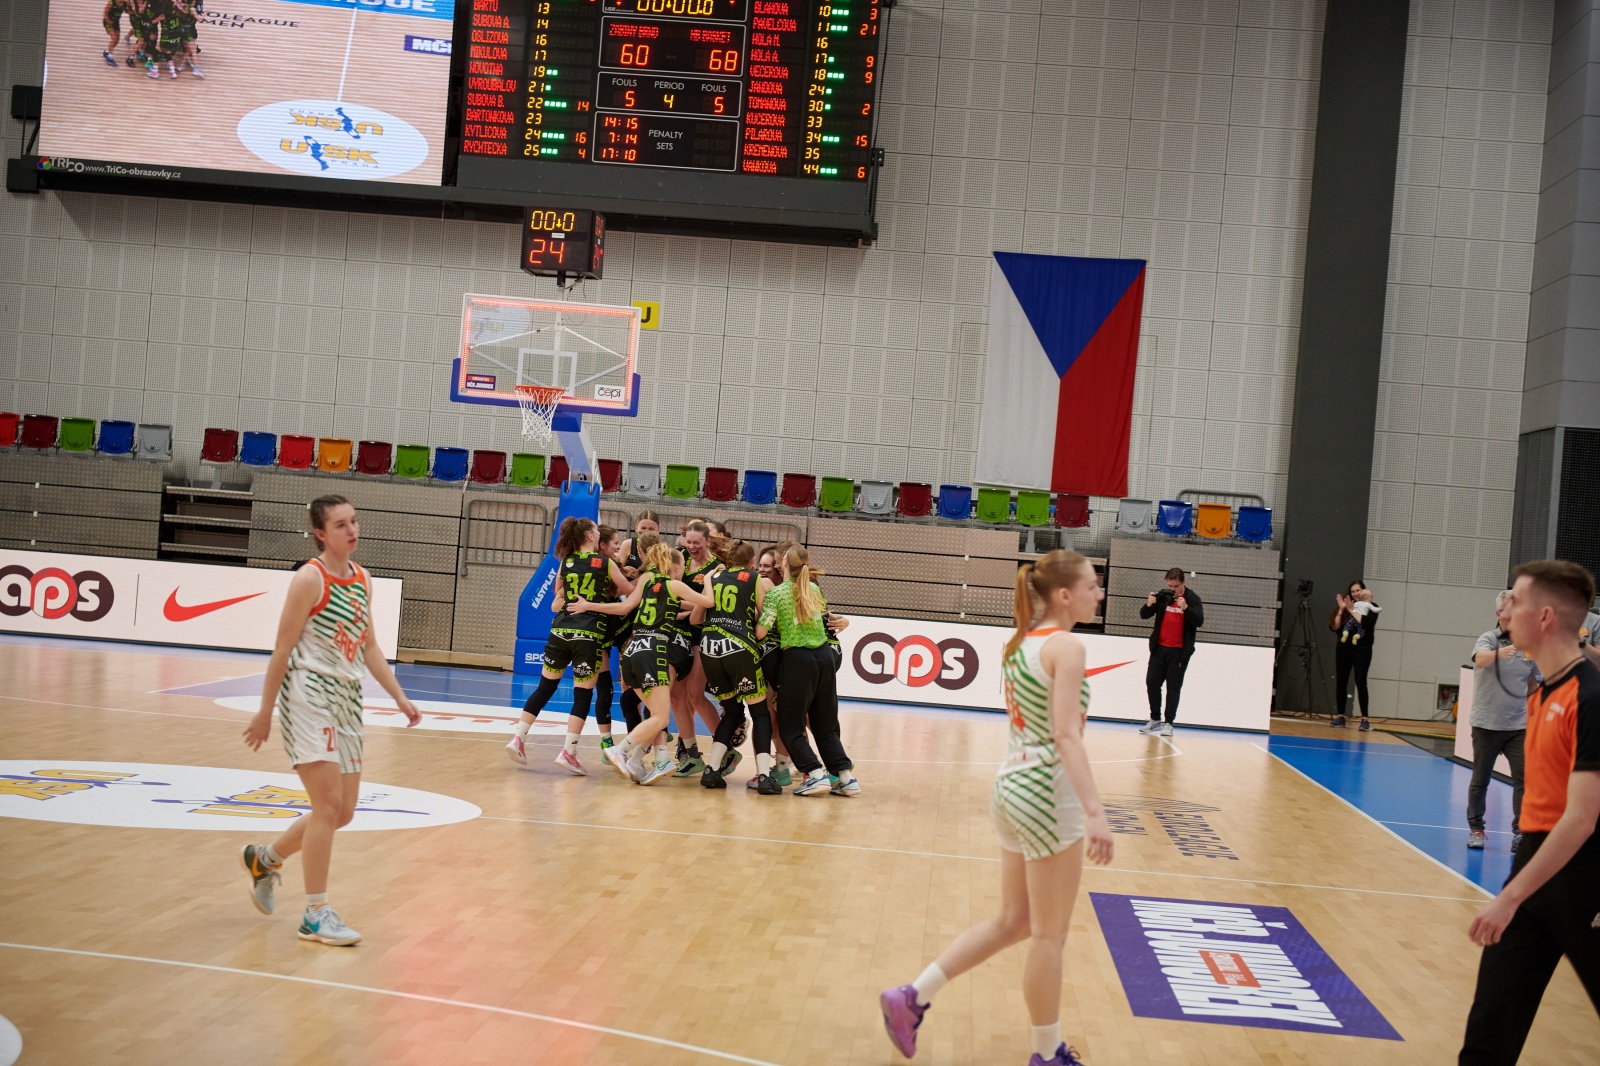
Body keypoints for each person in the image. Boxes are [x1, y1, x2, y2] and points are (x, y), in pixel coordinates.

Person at [879, 550, 1112, 1066]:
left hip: (1011, 788)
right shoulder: (1066, 646)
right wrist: (1096, 811)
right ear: (1064, 595)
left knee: (1014, 921)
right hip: (1047, 794)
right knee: (1049, 935)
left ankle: (912, 997)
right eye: (1092, 585)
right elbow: (1066, 736)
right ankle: (1047, 1054)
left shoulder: (1020, 643)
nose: (1099, 594)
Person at [240, 495, 422, 946]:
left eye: (354, 521)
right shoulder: (309, 579)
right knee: (326, 806)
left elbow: (369, 646)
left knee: (342, 812)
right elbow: (282, 649)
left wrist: (399, 696)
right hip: (308, 696)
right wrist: (265, 710)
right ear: (321, 534)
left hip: (347, 698)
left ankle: (266, 859)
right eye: (341, 524)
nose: (352, 530)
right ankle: (315, 913)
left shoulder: (362, 578)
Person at [1459, 559, 1600, 1065]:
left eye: (1515, 602)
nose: (1505, 611)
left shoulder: (1590, 696)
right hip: (1540, 863)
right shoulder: (1542, 692)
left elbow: (1582, 819)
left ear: (1544, 616)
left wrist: (1511, 895)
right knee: (1490, 1030)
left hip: (1585, 867)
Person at [576, 538, 715, 784]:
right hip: (654, 650)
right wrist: (710, 581)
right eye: (681, 567)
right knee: (661, 718)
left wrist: (589, 605)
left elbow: (624, 608)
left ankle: (646, 759)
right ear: (675, 567)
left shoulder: (647, 580)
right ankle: (621, 751)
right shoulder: (675, 585)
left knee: (653, 716)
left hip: (631, 650)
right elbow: (708, 603)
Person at [504, 517, 633, 775]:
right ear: (589, 536)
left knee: (545, 687)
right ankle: (568, 753)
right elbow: (628, 590)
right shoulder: (605, 563)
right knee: (582, 695)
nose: (599, 534)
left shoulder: (567, 561)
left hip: (560, 630)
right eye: (596, 531)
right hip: (588, 633)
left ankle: (518, 738)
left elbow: (559, 594)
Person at [755, 545, 858, 796]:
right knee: (826, 725)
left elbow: (761, 632)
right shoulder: (813, 588)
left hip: (798, 660)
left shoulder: (777, 594)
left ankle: (814, 774)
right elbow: (825, 619)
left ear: (784, 565)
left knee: (791, 726)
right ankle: (846, 778)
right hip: (825, 657)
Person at [695, 540, 777, 792]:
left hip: (709, 647)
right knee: (760, 712)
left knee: (731, 712)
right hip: (739, 647)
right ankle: (764, 776)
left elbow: (696, 618)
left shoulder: (713, 578)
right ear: (752, 562)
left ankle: (711, 770)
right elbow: (764, 622)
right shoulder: (757, 579)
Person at [1466, 590, 1534, 851]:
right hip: (1486, 725)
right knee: (1480, 780)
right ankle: (1476, 829)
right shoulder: (1488, 638)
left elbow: (1533, 680)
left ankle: (1521, 833)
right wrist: (1499, 653)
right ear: (1499, 614)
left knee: (1524, 779)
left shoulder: (1529, 644)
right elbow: (1479, 659)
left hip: (1518, 726)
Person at [1137, 567, 1203, 736]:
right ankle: (1155, 719)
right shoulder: (1163, 596)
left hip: (1179, 652)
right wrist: (1149, 604)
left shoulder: (1192, 599)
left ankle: (1169, 723)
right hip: (1159, 648)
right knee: (1152, 683)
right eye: (1170, 586)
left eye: (1176, 586)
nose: (1173, 589)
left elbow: (1199, 621)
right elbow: (1144, 615)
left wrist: (1186, 608)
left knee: (1173, 688)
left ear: (1183, 583)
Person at [1327, 580, 1380, 729]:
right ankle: (1340, 717)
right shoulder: (1346, 605)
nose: (1355, 593)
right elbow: (1335, 627)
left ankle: (1364, 719)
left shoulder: (1370, 606)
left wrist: (1352, 611)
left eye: (1358, 590)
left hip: (1362, 649)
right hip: (1344, 649)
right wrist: (1341, 610)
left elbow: (1366, 623)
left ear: (1363, 591)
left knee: (1361, 681)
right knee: (1341, 682)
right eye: (1353, 591)